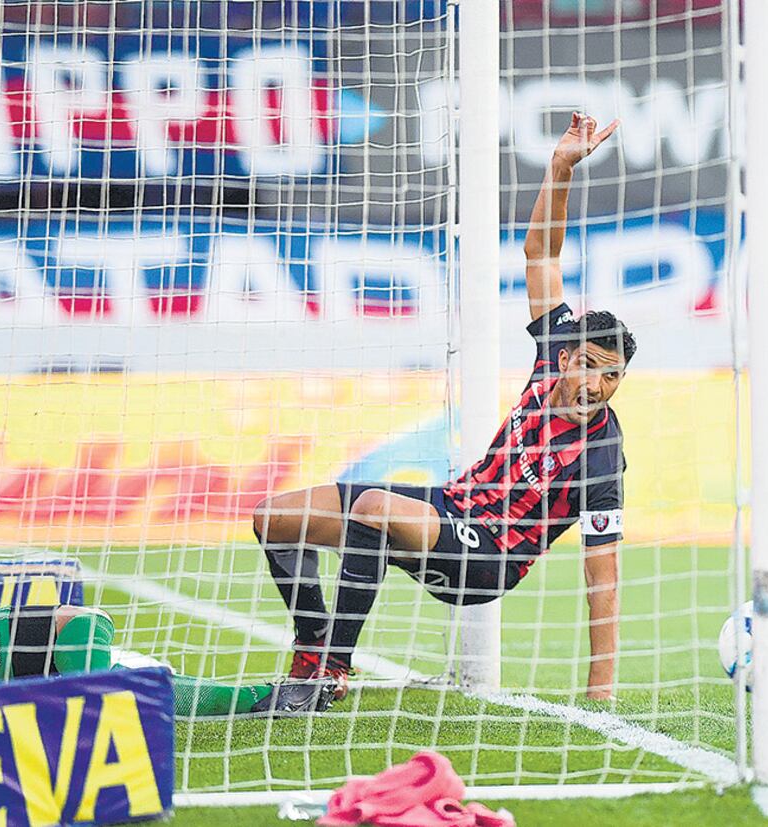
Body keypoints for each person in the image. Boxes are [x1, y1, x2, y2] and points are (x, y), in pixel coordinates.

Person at [254, 112, 634, 701]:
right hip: (451, 506)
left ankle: (333, 670)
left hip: (490, 555)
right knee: (274, 518)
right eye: (589, 365)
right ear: (564, 358)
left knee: (374, 507)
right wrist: (560, 167)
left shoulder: (602, 456)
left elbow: (601, 573)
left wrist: (601, 688)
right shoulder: (550, 352)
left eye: (612, 376)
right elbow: (541, 254)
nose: (597, 385)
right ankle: (312, 648)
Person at [0, 603, 337, 713]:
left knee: (100, 708)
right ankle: (270, 697)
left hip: (76, 634)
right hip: (54, 671)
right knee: (127, 696)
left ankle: (268, 698)